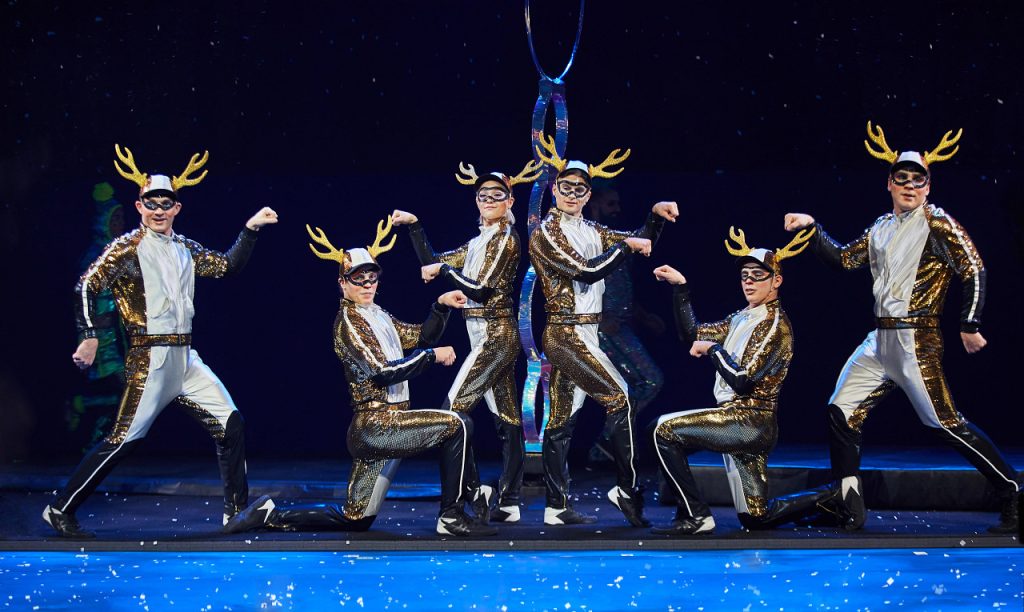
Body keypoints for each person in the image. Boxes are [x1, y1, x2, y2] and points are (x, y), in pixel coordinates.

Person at [784, 122, 1019, 534]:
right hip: (880, 339)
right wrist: (812, 228)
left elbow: (974, 268)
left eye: (918, 179)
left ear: (928, 186)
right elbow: (844, 260)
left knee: (944, 422)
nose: (910, 185)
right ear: (889, 183)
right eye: (902, 178)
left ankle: (1012, 492)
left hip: (916, 338)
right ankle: (848, 502)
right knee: (841, 409)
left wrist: (969, 323)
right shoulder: (881, 226)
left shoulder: (937, 222)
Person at [43, 145, 279, 539]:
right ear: (138, 206)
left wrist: (250, 229)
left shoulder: (185, 248)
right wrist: (90, 337)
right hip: (149, 358)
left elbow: (226, 266)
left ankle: (235, 512)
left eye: (165, 204)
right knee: (123, 440)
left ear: (176, 208)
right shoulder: (126, 248)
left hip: (185, 358)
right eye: (150, 203)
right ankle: (60, 508)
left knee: (231, 423)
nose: (158, 210)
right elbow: (87, 285)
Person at [225, 219, 496, 536]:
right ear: (343, 283)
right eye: (358, 279)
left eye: (372, 278)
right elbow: (382, 372)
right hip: (378, 427)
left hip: (388, 426)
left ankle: (270, 515)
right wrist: (430, 356)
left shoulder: (377, 315)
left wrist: (440, 306)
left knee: (356, 518)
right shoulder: (349, 323)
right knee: (458, 424)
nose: (367, 285)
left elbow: (420, 336)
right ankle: (452, 515)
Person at [529, 134, 678, 526]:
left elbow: (637, 240)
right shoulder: (545, 233)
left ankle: (555, 506)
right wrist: (627, 246)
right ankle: (627, 490)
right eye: (566, 187)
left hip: (589, 333)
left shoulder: (593, 230)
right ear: (554, 190)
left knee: (561, 420)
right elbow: (585, 270)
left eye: (579, 189)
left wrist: (654, 217)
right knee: (620, 399)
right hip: (565, 334)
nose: (572, 194)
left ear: (587, 193)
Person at [650, 227, 830, 535]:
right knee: (756, 517)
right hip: (739, 420)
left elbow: (742, 381)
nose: (749, 281)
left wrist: (714, 350)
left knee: (663, 431)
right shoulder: (742, 317)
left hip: (747, 421)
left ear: (776, 281)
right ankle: (832, 497)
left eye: (758, 275)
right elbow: (693, 334)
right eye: (745, 275)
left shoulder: (774, 325)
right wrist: (681, 288)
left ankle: (695, 515)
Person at [390, 159, 540, 524]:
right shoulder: (478, 242)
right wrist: (415, 227)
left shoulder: (505, 239)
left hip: (495, 336)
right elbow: (433, 261)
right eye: (482, 195)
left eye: (497, 195)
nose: (488, 200)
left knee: (450, 414)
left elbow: (482, 290)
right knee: (506, 420)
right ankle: (508, 501)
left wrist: (444, 270)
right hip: (483, 335)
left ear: (510, 201)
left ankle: (471, 493)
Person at [584, 180, 666, 466]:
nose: (617, 209)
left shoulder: (615, 238)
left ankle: (609, 443)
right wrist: (600, 317)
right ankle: (607, 442)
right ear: (594, 203)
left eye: (618, 204)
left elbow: (622, 285)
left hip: (621, 324)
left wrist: (643, 316)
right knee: (650, 380)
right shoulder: (587, 238)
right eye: (611, 204)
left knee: (632, 387)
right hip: (600, 328)